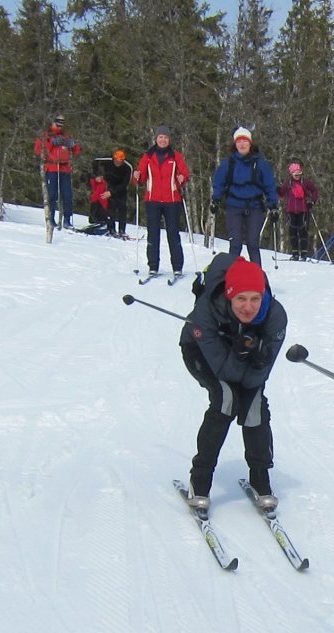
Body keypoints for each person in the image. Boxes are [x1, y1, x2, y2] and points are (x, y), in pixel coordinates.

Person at [180, 253, 289, 513]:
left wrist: (259, 358)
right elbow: (224, 371)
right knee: (226, 400)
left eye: (255, 299)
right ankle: (200, 479)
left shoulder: (275, 317)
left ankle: (260, 476)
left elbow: (255, 380)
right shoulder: (205, 315)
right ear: (229, 296)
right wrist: (241, 353)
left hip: (245, 362)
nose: (248, 307)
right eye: (240, 298)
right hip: (200, 353)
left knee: (253, 405)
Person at [211, 127, 278, 265]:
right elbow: (219, 181)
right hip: (234, 206)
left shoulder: (260, 163)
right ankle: (232, 279)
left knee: (253, 243)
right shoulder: (228, 163)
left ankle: (258, 279)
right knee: (235, 244)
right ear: (235, 144)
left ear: (250, 143)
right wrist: (215, 200)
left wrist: (273, 206)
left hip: (254, 207)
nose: (242, 144)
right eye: (239, 141)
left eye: (244, 141)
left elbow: (269, 185)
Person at [134, 127, 191, 277]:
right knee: (153, 233)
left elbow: (185, 173)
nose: (163, 140)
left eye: (165, 137)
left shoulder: (175, 156)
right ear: (156, 139)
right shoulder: (148, 156)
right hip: (153, 200)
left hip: (171, 200)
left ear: (169, 139)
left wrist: (182, 178)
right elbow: (140, 178)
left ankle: (177, 266)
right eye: (160, 137)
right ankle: (153, 266)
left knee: (173, 233)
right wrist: (137, 176)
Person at [34, 115, 80, 229]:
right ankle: (51, 219)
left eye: (61, 124)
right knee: (52, 195)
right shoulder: (46, 136)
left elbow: (77, 151)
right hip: (52, 167)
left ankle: (67, 220)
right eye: (57, 124)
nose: (59, 127)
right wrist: (51, 143)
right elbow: (38, 150)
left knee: (67, 195)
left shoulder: (65, 136)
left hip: (65, 168)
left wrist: (73, 145)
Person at [279, 161, 320, 259]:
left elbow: (315, 191)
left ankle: (304, 253)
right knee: (292, 231)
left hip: (303, 210)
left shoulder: (305, 182)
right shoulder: (288, 183)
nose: (297, 176)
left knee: (303, 231)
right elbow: (281, 194)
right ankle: (295, 253)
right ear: (291, 173)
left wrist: (312, 201)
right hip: (291, 211)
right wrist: (276, 191)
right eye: (295, 174)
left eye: (299, 173)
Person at [104, 148, 134, 238]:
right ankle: (111, 229)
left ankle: (122, 230)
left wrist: (113, 192)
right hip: (109, 189)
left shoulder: (127, 168)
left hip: (121, 191)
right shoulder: (108, 164)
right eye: (117, 160)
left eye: (120, 161)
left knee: (122, 210)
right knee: (111, 210)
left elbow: (125, 184)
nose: (118, 162)